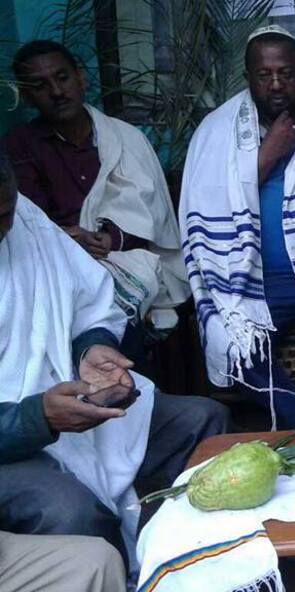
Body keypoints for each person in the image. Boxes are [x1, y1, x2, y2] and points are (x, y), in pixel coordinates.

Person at [0, 151, 230, 577]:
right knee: (72, 514)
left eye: (5, 212)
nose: (4, 229)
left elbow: (87, 302)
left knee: (201, 421)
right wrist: (38, 418)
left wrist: (92, 348)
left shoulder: (25, 219)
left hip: (66, 397)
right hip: (12, 445)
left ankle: (180, 571)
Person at [180, 25, 295, 429]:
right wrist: (266, 155)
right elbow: (206, 208)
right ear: (248, 78)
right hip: (252, 279)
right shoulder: (215, 133)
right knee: (234, 347)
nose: (277, 84)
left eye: (287, 73)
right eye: (265, 75)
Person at [1, 40, 190, 362]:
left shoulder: (125, 137)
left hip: (122, 256)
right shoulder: (18, 148)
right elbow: (24, 220)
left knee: (117, 302)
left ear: (80, 78)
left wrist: (113, 237)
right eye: (41, 86)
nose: (57, 92)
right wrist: (67, 238)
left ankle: (124, 387)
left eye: (62, 78)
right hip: (55, 264)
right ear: (29, 97)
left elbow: (153, 211)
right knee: (75, 309)